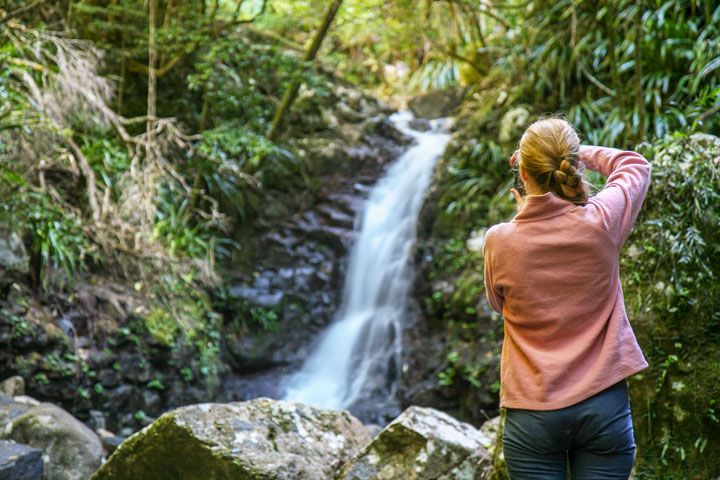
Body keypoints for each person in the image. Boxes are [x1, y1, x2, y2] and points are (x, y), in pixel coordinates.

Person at [482, 117, 651, 479]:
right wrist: (578, 157)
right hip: (603, 404)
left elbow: (499, 304)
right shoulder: (602, 221)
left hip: (532, 412)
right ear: (571, 167)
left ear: (522, 172)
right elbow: (634, 165)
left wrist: (521, 221)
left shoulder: (499, 240)